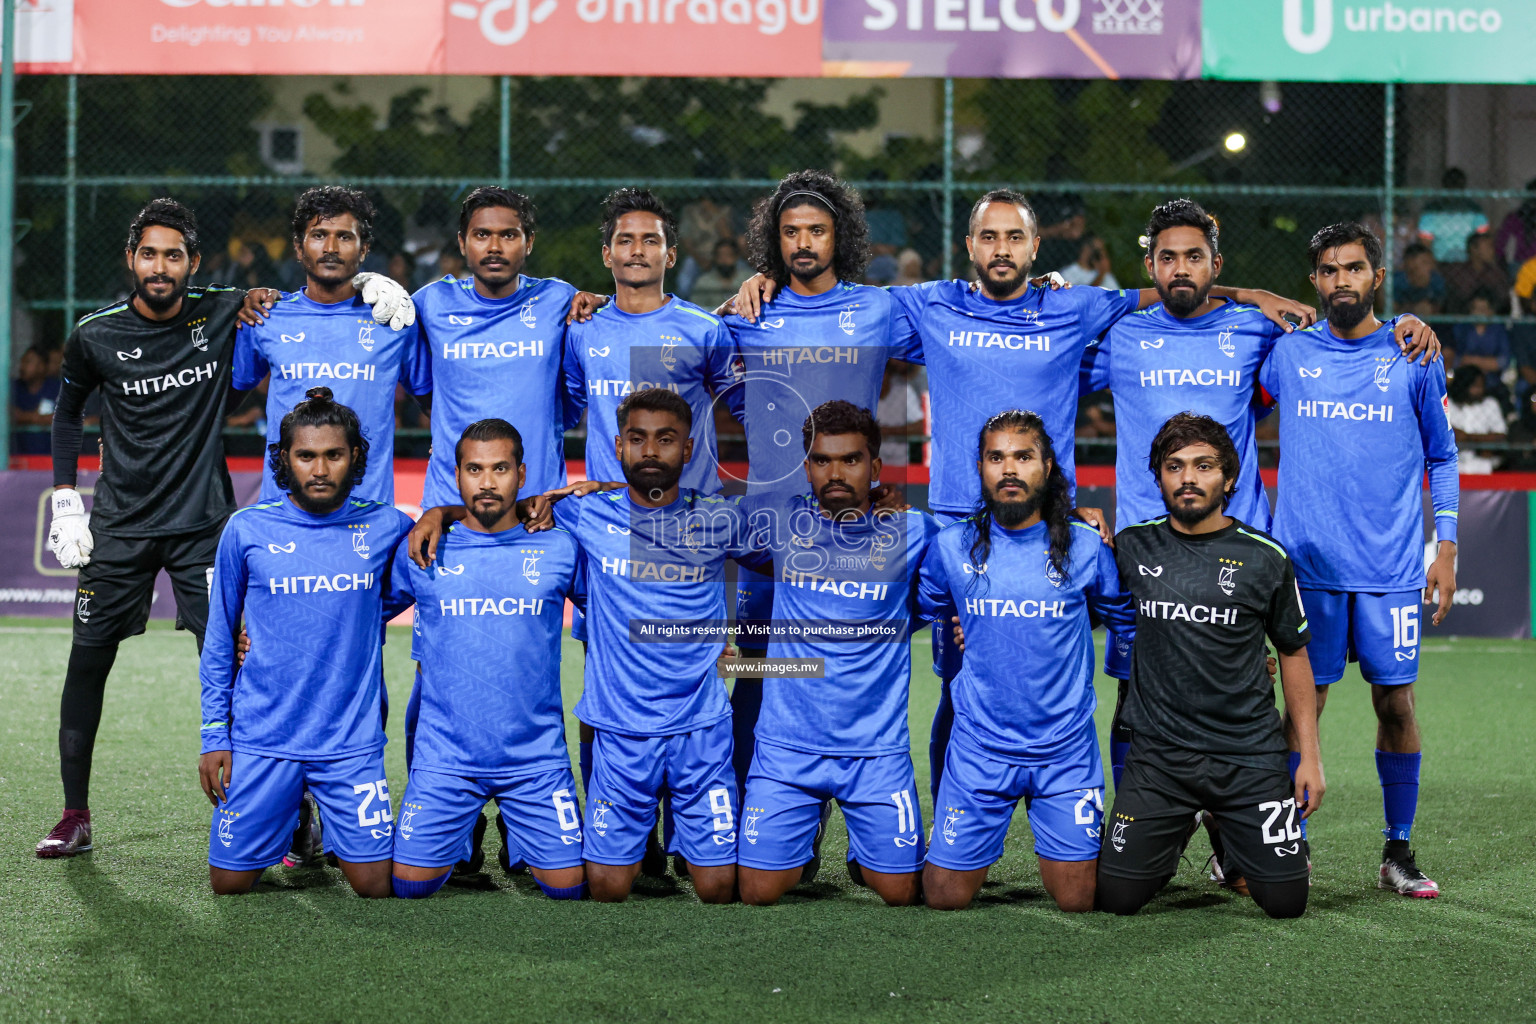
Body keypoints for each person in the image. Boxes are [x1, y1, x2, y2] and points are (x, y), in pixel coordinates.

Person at [36, 198, 412, 859]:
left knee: (245, 666)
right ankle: (74, 812)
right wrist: (66, 496)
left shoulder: (226, 310)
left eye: (173, 254)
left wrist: (371, 282)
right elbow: (67, 415)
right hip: (118, 526)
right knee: (87, 661)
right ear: (131, 258)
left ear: (194, 262)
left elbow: (293, 290)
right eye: (148, 253)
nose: (160, 266)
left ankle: (284, 814)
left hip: (203, 527)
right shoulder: (94, 334)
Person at [1259, 222, 1459, 898]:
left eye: (1352, 268)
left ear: (1376, 276)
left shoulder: (1413, 354)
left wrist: (1448, 547)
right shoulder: (1287, 355)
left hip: (1391, 569)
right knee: (1301, 707)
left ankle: (1397, 852)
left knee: (1395, 703)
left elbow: (1443, 455)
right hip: (1307, 570)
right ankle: (1294, 845)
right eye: (1327, 270)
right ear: (1313, 280)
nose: (1340, 279)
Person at [721, 170, 910, 825]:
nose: (804, 242)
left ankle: (868, 826)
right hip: (767, 531)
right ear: (774, 241)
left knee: (851, 670)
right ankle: (760, 818)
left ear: (841, 236)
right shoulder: (750, 313)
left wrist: (1051, 284)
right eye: (791, 231)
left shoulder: (880, 309)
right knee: (760, 671)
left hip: (851, 533)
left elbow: (964, 316)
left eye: (817, 231)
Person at [543, 389, 766, 903]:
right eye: (637, 439)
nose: (650, 451)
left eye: (665, 440)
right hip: (621, 730)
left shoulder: (718, 519)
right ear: (619, 446)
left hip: (701, 730)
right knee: (605, 888)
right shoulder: (583, 515)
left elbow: (796, 559)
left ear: (687, 451)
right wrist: (437, 514)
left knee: (717, 888)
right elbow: (502, 511)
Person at [1097, 413, 1321, 919]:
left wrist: (1308, 756)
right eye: (1174, 466)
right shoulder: (1131, 547)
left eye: (1204, 466)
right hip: (1161, 758)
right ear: (1158, 477)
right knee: (1116, 898)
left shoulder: (1267, 557)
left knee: (1287, 902)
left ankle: (1220, 822)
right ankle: (1177, 826)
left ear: (1230, 478)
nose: (1188, 478)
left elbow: (1294, 654)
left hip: (1248, 757)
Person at [198, 387, 414, 896]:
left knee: (375, 885)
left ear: (355, 456)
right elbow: (219, 636)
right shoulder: (246, 529)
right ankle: (294, 817)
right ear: (285, 459)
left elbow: (409, 584)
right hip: (264, 737)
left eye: (334, 455)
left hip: (348, 743)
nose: (320, 469)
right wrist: (214, 734)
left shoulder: (385, 525)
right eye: (307, 456)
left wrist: (438, 514)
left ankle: (318, 818)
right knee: (228, 883)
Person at [916, 410, 1134, 913]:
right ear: (980, 466)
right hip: (980, 747)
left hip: (1064, 751)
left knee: (1078, 900)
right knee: (943, 897)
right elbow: (918, 611)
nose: (1009, 469)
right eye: (997, 457)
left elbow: (1127, 622)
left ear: (1048, 465)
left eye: (1023, 456)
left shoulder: (1084, 546)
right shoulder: (951, 547)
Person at [736, 401, 938, 908]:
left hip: (875, 751)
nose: (836, 473)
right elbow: (677, 511)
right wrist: (597, 487)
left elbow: (982, 556)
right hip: (787, 749)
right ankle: (804, 836)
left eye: (850, 460)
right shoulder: (781, 524)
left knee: (901, 892)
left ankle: (863, 852)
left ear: (876, 467)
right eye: (822, 460)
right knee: (757, 893)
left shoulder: (914, 533)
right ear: (806, 467)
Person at [385, 418, 587, 900]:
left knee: (571, 891)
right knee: (407, 889)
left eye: (500, 468)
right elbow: (357, 613)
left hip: (535, 759)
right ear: (456, 475)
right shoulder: (425, 546)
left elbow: (613, 614)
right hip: (446, 759)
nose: (488, 481)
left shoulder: (559, 547)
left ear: (521, 472)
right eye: (475, 469)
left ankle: (517, 838)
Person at [234, 186, 431, 505]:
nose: (330, 247)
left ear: (364, 249)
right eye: (319, 235)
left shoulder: (394, 320)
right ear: (298, 248)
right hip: (282, 517)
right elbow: (223, 403)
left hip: (368, 515)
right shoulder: (264, 318)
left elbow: (435, 405)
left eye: (344, 236)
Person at [1415, 168, 1487, 264]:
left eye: (1457, 185)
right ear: (1445, 186)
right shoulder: (1432, 210)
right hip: (1439, 262)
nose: (1454, 189)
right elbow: (1425, 243)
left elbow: (1483, 239)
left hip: (1468, 263)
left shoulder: (1474, 210)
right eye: (1451, 185)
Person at [1444, 368, 1507, 475]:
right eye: (1475, 386)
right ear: (1463, 385)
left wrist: (1468, 437)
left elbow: (1500, 436)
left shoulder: (1490, 404)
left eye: (1481, 386)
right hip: (1451, 465)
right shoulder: (1447, 404)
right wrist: (1483, 439)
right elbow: (1445, 435)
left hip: (1485, 466)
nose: (1480, 390)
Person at [1450, 290, 1511, 393]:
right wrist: (1486, 363)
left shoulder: (1499, 330)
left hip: (1492, 382)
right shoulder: (1461, 329)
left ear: (1491, 311)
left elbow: (1503, 362)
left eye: (1483, 309)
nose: (1479, 314)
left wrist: (1473, 361)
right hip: (1465, 382)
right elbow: (1456, 360)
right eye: (1476, 309)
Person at [1442, 232, 1510, 315]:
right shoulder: (1457, 271)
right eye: (1488, 246)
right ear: (1474, 249)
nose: (1492, 251)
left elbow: (1503, 299)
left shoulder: (1496, 273)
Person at [11, 344, 60, 455]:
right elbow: (8, 415)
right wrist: (39, 418)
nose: (22, 367)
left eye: (28, 362)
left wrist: (25, 417)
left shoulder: (57, 388)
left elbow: (65, 417)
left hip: (51, 457)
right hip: (17, 457)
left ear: (41, 366)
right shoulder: (13, 388)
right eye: (22, 362)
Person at [685, 237, 753, 313]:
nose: (724, 260)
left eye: (728, 255)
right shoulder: (704, 281)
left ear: (736, 257)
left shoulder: (748, 279)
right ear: (715, 258)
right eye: (720, 256)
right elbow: (696, 309)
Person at [1393, 243, 1446, 318]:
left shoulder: (1436, 280)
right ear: (1409, 263)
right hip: (1401, 318)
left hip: (1428, 321)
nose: (1429, 267)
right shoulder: (1397, 280)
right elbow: (1392, 307)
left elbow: (1439, 307)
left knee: (1423, 308)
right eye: (1424, 262)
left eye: (1430, 262)